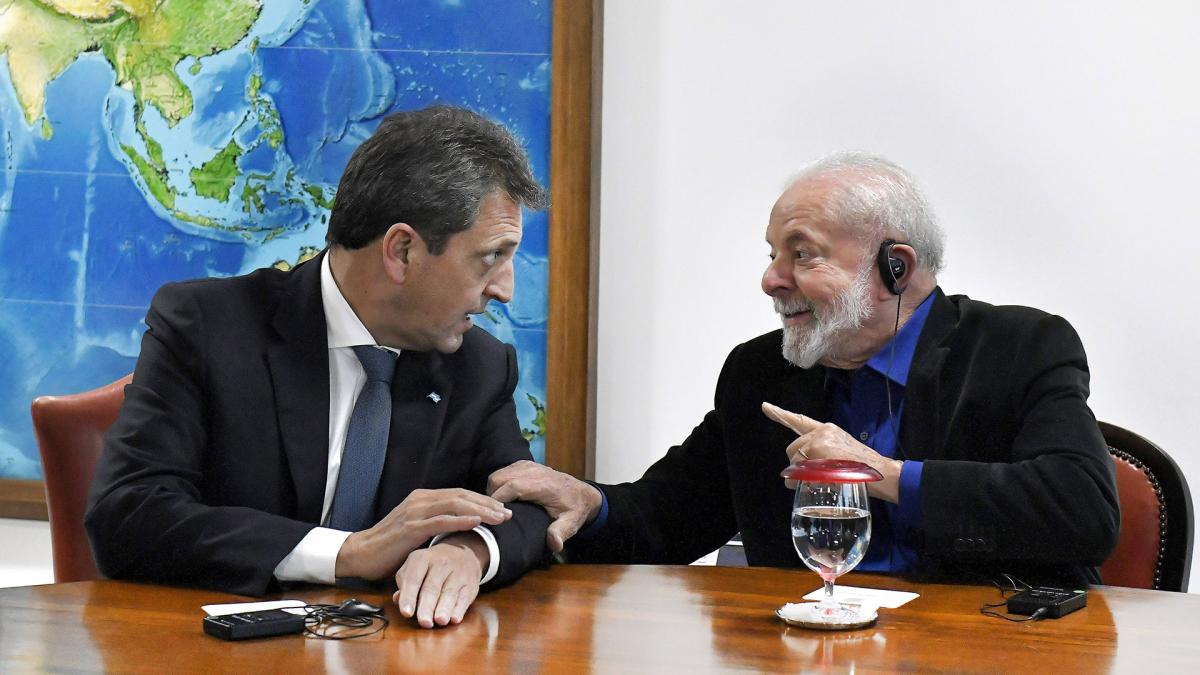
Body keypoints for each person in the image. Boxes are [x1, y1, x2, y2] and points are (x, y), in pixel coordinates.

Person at [490, 152, 1120, 586]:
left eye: (803, 255)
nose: (771, 279)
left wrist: (885, 475)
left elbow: (1083, 512)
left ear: (895, 268)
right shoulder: (761, 371)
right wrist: (592, 502)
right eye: (773, 254)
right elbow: (670, 516)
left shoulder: (1019, 347)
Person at [86, 105, 552, 628]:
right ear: (402, 251)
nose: (505, 289)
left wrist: (468, 550)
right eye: (491, 256)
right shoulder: (207, 327)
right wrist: (347, 553)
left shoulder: (479, 367)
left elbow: (526, 503)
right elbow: (129, 513)